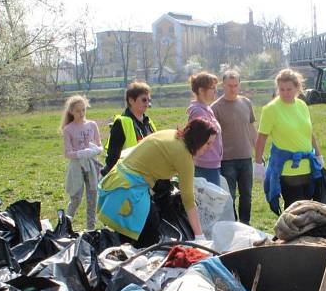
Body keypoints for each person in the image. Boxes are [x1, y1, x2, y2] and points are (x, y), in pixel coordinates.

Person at [97, 119, 217, 247]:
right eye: (208, 143)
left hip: (118, 181)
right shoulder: (184, 157)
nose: (210, 148)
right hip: (127, 190)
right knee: (148, 234)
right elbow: (188, 200)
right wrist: (200, 236)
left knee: (136, 233)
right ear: (198, 139)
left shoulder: (173, 135)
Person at [254, 68, 324, 214]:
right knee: (295, 212)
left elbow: (309, 132)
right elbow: (261, 139)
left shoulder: (302, 106)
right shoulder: (271, 109)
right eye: (282, 89)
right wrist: (258, 164)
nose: (285, 93)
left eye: (289, 89)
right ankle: (289, 236)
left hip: (308, 167)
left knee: (310, 210)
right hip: (288, 170)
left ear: (297, 88)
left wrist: (318, 155)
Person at [212, 70, 257, 224]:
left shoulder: (246, 103)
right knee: (229, 196)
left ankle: (245, 224)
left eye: (235, 85)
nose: (232, 89)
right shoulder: (215, 108)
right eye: (229, 85)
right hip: (226, 160)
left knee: (247, 195)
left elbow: (251, 127)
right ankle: (232, 224)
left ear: (239, 85)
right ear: (223, 85)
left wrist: (257, 151)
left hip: (246, 157)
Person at [62, 95, 103, 231]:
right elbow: (67, 153)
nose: (81, 113)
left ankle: (90, 229)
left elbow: (99, 145)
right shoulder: (68, 129)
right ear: (71, 112)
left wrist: (95, 151)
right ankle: (65, 225)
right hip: (77, 167)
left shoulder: (92, 125)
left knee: (92, 197)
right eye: (78, 111)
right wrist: (80, 154)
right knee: (76, 197)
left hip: (92, 166)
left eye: (83, 110)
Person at [102, 82, 157, 176]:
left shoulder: (149, 122)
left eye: (149, 100)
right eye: (144, 100)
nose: (147, 103)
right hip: (128, 178)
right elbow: (112, 158)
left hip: (147, 175)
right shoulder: (121, 123)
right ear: (131, 100)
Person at [187, 72, 223, 186]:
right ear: (201, 90)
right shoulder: (198, 111)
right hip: (205, 164)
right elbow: (199, 139)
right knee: (211, 202)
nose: (215, 92)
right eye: (212, 88)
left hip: (212, 163)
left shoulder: (206, 108)